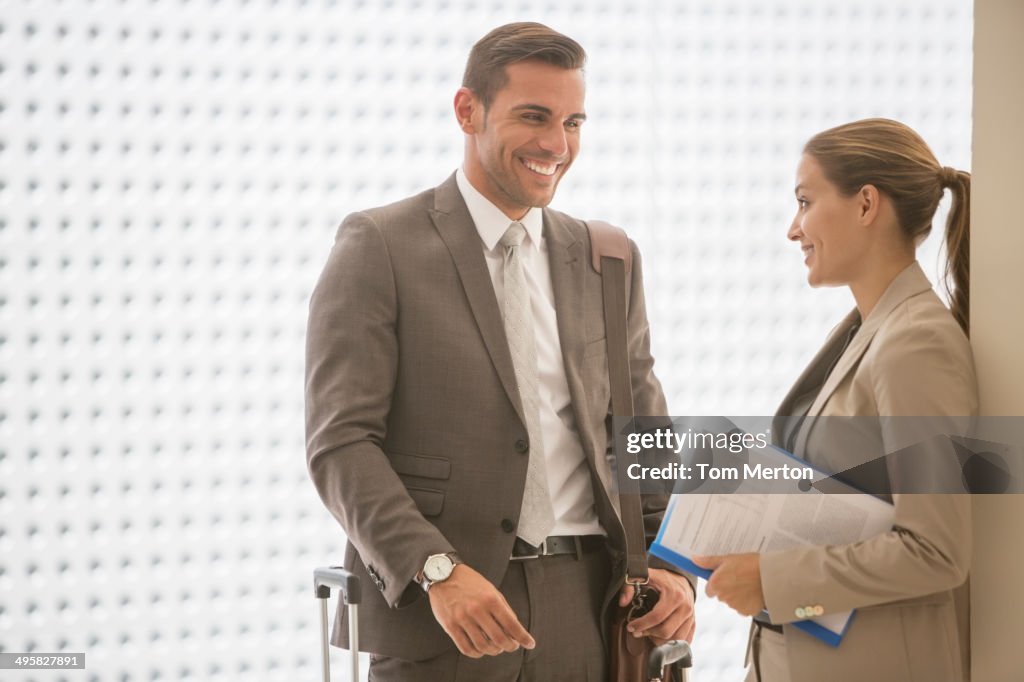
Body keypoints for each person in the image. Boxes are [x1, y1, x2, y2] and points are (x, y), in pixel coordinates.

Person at [305, 22, 696, 681]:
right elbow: (341, 444)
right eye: (534, 117)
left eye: (574, 121)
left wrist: (671, 563)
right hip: (446, 611)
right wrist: (436, 569)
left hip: (591, 605)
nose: (557, 144)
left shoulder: (608, 257)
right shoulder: (381, 245)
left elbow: (643, 434)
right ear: (468, 111)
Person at [692, 118, 976, 682]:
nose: (793, 230)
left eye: (804, 202)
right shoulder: (864, 330)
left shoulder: (917, 342)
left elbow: (937, 550)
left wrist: (772, 580)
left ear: (866, 204)